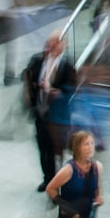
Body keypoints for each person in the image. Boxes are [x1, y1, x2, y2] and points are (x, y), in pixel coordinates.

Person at [25, 33, 78, 192]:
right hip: (41, 112)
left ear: (63, 45)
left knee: (57, 149)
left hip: (57, 116)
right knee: (43, 147)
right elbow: (28, 79)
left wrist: (58, 93)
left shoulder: (67, 66)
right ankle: (47, 178)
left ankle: (59, 179)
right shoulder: (38, 61)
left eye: (56, 42)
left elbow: (73, 90)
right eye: (50, 42)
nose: (51, 45)